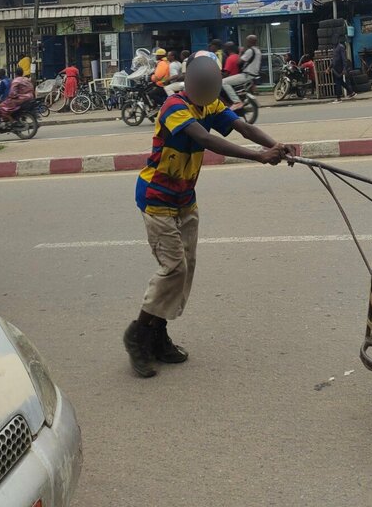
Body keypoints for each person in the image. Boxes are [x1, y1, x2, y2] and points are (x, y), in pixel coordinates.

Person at [123, 54, 296, 377]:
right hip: (158, 198)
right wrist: (260, 157)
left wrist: (276, 145)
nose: (208, 94)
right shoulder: (174, 106)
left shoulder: (210, 105)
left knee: (185, 270)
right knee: (173, 268)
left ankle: (158, 335)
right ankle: (138, 335)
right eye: (203, 88)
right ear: (189, 84)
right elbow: (205, 139)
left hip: (185, 199)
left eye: (212, 89)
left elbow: (241, 126)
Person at [222, 34, 262, 104]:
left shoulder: (250, 51)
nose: (246, 43)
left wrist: (240, 51)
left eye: (247, 41)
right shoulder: (258, 51)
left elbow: (239, 62)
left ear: (250, 42)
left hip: (246, 75)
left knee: (224, 82)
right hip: (253, 75)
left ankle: (236, 102)